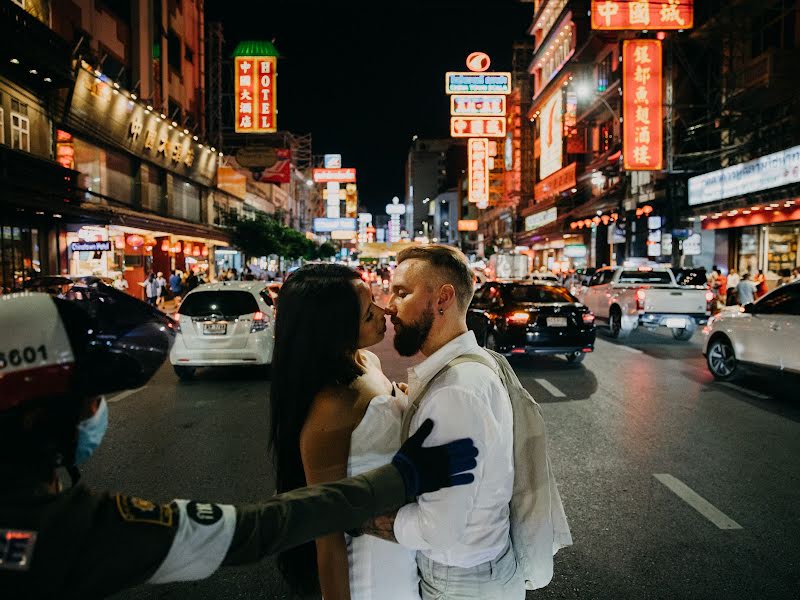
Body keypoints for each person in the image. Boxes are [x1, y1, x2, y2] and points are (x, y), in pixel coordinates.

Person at [0, 291, 478, 600]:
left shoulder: (61, 517)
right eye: (87, 399)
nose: (94, 412)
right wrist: (400, 478)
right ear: (36, 417)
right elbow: (256, 529)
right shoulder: (69, 528)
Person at [373, 245, 523, 599]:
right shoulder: (467, 369)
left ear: (442, 299)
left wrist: (371, 522)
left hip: (460, 583)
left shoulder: (454, 392)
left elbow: (437, 529)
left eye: (401, 293)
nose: (389, 306)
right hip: (481, 570)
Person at [270, 264, 420, 599]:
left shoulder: (368, 362)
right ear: (333, 330)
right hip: (370, 567)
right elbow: (328, 535)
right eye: (369, 314)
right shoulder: (331, 406)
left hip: (403, 545)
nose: (383, 312)